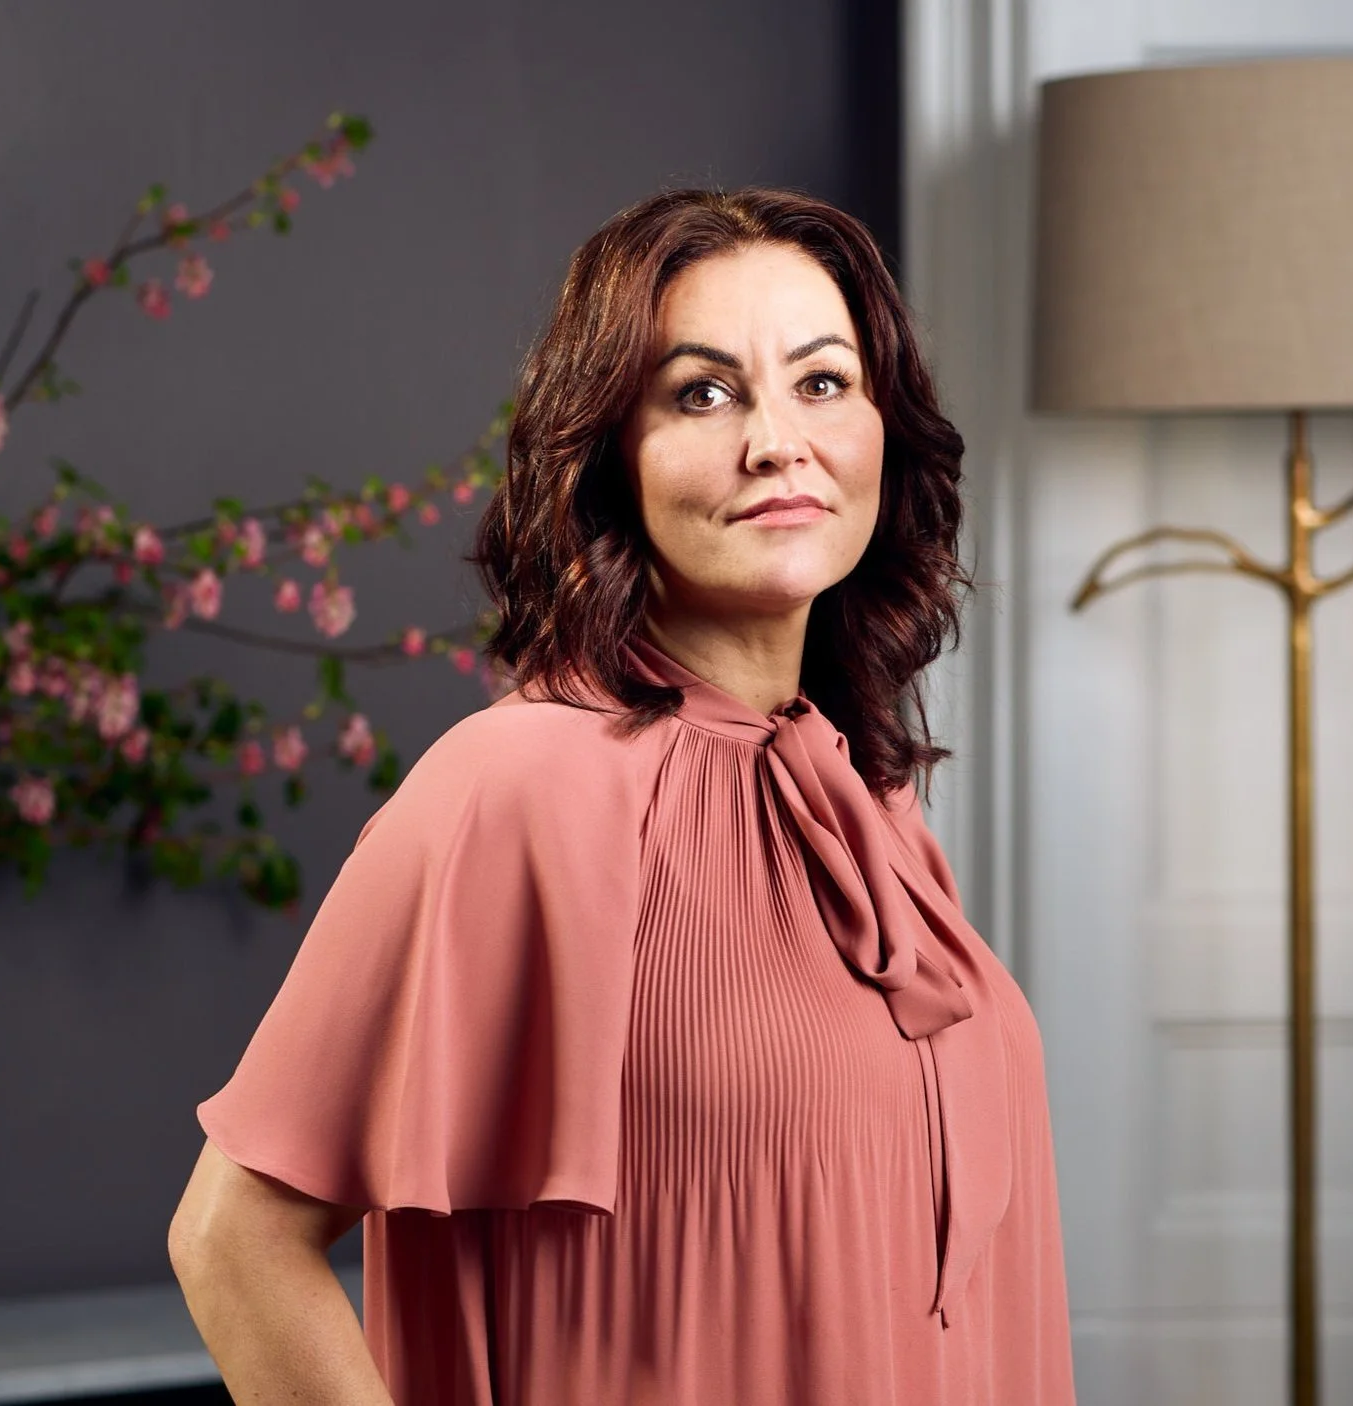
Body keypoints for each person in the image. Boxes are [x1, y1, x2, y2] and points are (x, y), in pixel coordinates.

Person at [167, 187, 1076, 1406]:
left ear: (882, 428)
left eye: (821, 383)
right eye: (702, 393)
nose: (776, 441)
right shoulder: (517, 786)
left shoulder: (864, 801)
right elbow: (233, 1237)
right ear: (609, 457)